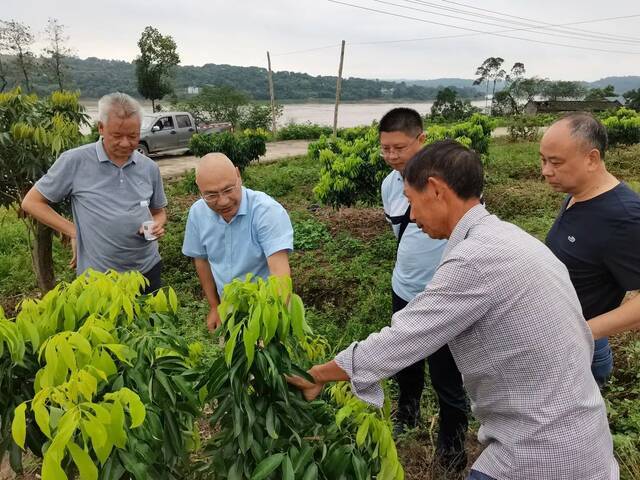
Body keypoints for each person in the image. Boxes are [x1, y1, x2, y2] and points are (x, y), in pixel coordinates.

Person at [288, 140, 619, 480]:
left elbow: (404, 338)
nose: (412, 216)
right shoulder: (510, 237)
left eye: (412, 202)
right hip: (580, 437)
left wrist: (319, 374)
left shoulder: (475, 260)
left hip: (539, 453)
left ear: (435, 190)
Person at [379, 108, 468, 470]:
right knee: (406, 360)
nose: (392, 156)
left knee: (447, 375)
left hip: (445, 296)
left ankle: (452, 449)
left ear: (422, 140)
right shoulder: (389, 185)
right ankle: (408, 413)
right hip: (405, 287)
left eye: (399, 147)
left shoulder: (447, 183)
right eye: (385, 149)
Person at [21, 92, 167, 292]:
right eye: (117, 136)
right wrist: (74, 232)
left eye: (133, 136)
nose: (126, 143)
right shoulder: (75, 161)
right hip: (99, 277)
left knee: (151, 322)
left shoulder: (149, 167)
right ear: (101, 128)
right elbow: (32, 202)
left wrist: (156, 225)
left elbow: (158, 211)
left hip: (146, 270)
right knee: (104, 324)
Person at [541, 113, 640, 387]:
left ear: (592, 159)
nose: (546, 171)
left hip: (581, 358)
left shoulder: (625, 217)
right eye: (543, 160)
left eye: (556, 162)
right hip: (556, 347)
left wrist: (583, 332)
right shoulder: (577, 194)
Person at [182, 153, 293, 331]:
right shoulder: (197, 213)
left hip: (267, 310)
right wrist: (214, 306)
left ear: (238, 175)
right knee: (233, 357)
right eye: (211, 195)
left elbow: (280, 274)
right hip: (229, 311)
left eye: (228, 190)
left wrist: (270, 328)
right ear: (199, 189)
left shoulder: (266, 211)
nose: (223, 201)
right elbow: (201, 260)